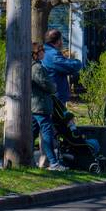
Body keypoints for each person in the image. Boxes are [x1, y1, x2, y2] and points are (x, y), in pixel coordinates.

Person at [32, 42, 66, 171]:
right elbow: (48, 85)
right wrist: (54, 87)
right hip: (40, 106)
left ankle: (27, 158)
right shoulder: (37, 68)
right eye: (42, 51)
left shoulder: (34, 66)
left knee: (32, 132)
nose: (44, 53)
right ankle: (53, 163)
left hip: (35, 106)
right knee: (47, 134)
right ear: (36, 53)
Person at [42, 28, 83, 105]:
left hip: (47, 95)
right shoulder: (53, 55)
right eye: (61, 39)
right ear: (58, 41)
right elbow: (71, 66)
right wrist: (78, 62)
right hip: (55, 98)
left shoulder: (43, 51)